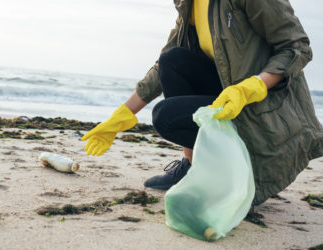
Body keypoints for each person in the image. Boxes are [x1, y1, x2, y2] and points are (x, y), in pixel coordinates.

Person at [82, 0, 323, 205]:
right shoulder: (188, 3)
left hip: (262, 109)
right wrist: (122, 114)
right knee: (173, 59)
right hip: (227, 98)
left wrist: (254, 85)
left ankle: (231, 177)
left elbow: (297, 47)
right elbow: (163, 66)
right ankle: (191, 169)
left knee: (167, 117)